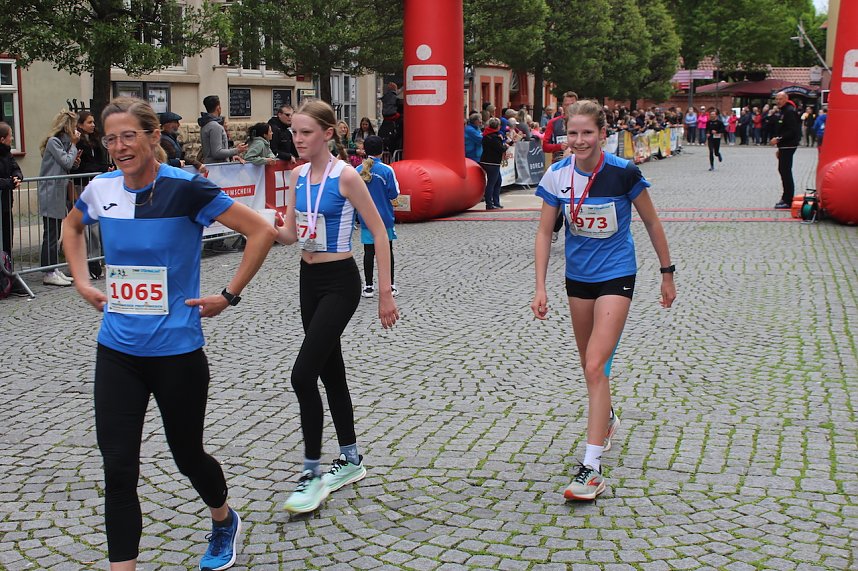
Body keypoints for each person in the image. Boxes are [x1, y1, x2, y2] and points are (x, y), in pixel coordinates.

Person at [61, 96, 276, 571]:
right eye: (110, 137)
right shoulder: (101, 188)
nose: (118, 146)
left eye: (128, 136)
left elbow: (260, 232)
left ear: (153, 137)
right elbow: (72, 228)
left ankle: (223, 518)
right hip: (117, 349)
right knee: (118, 469)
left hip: (177, 350)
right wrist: (80, 279)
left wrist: (228, 295)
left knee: (187, 456)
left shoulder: (186, 189)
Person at [530, 100, 676, 501]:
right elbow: (545, 232)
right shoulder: (558, 175)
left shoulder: (622, 172)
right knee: (590, 367)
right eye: (572, 134)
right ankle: (607, 418)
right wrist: (540, 286)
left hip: (616, 274)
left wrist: (667, 273)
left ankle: (590, 468)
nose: (578, 141)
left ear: (602, 135)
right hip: (577, 279)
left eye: (587, 133)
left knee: (596, 363)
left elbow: (650, 220)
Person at [274, 99, 398, 515]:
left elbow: (378, 232)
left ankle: (311, 474)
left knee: (302, 375)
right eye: (295, 132)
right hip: (307, 279)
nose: (299, 139)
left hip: (340, 281)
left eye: (307, 132)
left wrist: (383, 291)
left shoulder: (347, 177)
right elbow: (292, 235)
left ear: (329, 134)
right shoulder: (295, 177)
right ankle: (351, 458)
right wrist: (265, 226)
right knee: (331, 370)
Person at [38, 110, 81, 286]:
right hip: (50, 192)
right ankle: (48, 271)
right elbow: (66, 162)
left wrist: (74, 157)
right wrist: (73, 146)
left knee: (55, 233)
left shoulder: (62, 144)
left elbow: (68, 163)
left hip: (58, 192)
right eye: (75, 126)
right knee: (51, 234)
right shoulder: (54, 142)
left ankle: (53, 268)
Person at [355, 135, 400, 298]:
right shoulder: (387, 170)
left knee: (369, 251)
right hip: (385, 216)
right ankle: (390, 284)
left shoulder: (357, 171)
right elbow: (393, 193)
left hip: (366, 217)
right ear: (382, 151)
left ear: (365, 151)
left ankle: (368, 286)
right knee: (387, 250)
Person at [770, 92, 801, 209]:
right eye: (777, 99)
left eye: (781, 99)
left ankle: (788, 199)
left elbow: (792, 130)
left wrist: (778, 139)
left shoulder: (789, 111)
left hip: (789, 145)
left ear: (786, 99)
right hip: (784, 146)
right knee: (783, 170)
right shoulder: (783, 111)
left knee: (785, 171)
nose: (778, 101)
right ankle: (786, 197)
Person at [198, 95, 247, 164]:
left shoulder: (205, 124)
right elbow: (217, 153)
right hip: (218, 168)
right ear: (218, 108)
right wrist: (237, 150)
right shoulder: (215, 126)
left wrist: (231, 156)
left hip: (212, 166)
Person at [159, 111, 208, 176]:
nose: (178, 125)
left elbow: (181, 158)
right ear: (168, 124)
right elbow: (161, 161)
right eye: (176, 122)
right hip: (169, 176)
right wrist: (177, 163)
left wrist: (197, 164)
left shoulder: (172, 139)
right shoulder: (163, 140)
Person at [0, 122, 22, 262]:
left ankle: (7, 274)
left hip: (6, 204)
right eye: (10, 135)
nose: (12, 138)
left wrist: (17, 178)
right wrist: (9, 183)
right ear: (2, 139)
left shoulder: (7, 153)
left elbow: (16, 169)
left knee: (8, 241)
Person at [480, 117, 508, 210]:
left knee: (498, 181)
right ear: (498, 126)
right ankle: (489, 204)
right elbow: (500, 149)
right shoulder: (495, 137)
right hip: (492, 163)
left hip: (486, 160)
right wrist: (506, 146)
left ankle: (496, 202)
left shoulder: (486, 135)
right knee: (492, 183)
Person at [543, 91, 577, 163]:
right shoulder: (553, 122)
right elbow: (545, 146)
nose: (569, 107)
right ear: (563, 106)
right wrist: (559, 146)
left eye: (572, 104)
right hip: (559, 163)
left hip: (580, 164)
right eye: (566, 105)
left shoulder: (584, 122)